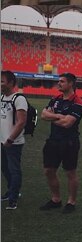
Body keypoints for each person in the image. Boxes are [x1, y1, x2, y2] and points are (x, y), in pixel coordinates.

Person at [39, 73, 82, 214]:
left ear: (70, 84)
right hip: (53, 140)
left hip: (69, 142)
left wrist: (51, 116)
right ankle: (56, 199)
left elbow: (67, 123)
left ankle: (71, 201)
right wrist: (58, 116)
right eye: (58, 81)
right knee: (48, 170)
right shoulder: (55, 99)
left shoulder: (78, 102)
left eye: (62, 81)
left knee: (70, 172)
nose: (58, 84)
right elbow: (42, 115)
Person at [1, 70, 28, 210]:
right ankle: (11, 190)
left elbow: (21, 122)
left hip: (13, 143)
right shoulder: (1, 97)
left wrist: (10, 139)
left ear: (11, 83)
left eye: (2, 81)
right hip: (2, 141)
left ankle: (14, 198)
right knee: (5, 168)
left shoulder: (18, 99)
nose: (0, 84)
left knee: (14, 170)